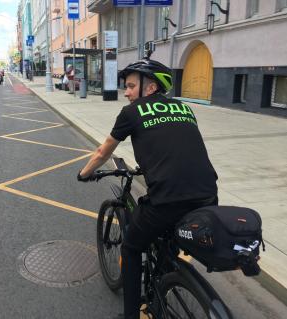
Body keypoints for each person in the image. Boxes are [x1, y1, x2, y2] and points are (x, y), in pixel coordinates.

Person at [77, 59, 218, 319]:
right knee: (168, 240)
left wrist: (84, 173)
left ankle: (131, 314)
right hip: (209, 195)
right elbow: (176, 144)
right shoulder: (184, 108)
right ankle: (167, 278)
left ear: (150, 87)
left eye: (131, 86)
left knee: (131, 248)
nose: (126, 92)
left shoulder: (131, 112)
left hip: (168, 200)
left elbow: (102, 151)